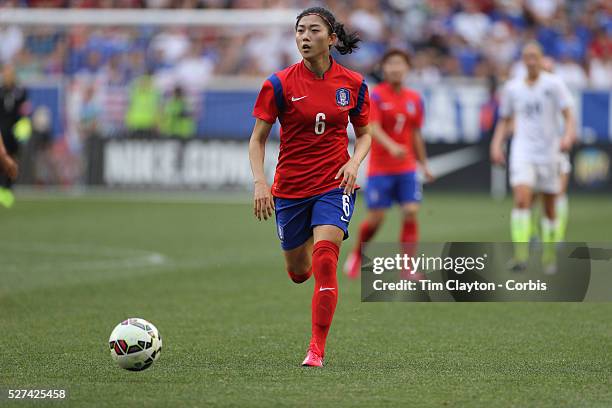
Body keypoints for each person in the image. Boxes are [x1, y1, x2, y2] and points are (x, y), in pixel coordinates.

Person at [249, 7, 371, 367]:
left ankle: (316, 349)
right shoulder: (278, 83)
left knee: (325, 260)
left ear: (331, 38)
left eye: (313, 30)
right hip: (289, 189)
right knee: (299, 272)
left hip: (335, 184)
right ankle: (305, 245)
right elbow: (257, 140)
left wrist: (353, 162)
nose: (304, 36)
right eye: (299, 30)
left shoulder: (353, 84)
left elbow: (364, 136)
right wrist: (260, 182)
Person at [344, 49, 433, 279]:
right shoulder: (376, 96)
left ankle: (408, 267)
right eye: (391, 64)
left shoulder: (414, 98)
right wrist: (392, 146)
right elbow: (372, 128)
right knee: (376, 219)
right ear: (384, 68)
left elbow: (415, 133)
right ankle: (356, 255)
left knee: (411, 211)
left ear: (407, 69)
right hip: (381, 168)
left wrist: (423, 164)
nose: (395, 68)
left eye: (400, 64)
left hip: (406, 168)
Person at [490, 42, 575, 273]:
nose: (530, 61)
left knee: (550, 206)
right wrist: (496, 144)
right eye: (526, 57)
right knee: (521, 199)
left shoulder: (554, 84)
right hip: (522, 151)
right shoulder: (513, 88)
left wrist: (568, 136)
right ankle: (521, 255)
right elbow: (505, 119)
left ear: (541, 58)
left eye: (534, 57)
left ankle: (549, 257)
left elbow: (569, 114)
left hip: (550, 152)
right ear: (522, 60)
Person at [529, 56, 574, 243]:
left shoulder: (559, 91)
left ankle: (557, 235)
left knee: (558, 192)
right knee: (532, 195)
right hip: (533, 150)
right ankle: (532, 234)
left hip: (555, 148)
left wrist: (567, 137)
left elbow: (569, 118)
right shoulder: (528, 91)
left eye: (549, 70)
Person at [0, 65, 29, 208]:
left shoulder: (20, 92)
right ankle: (2, 189)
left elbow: (25, 111)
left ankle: (8, 189)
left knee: (12, 159)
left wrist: (24, 126)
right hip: (1, 131)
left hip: (13, 133)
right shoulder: (1, 91)